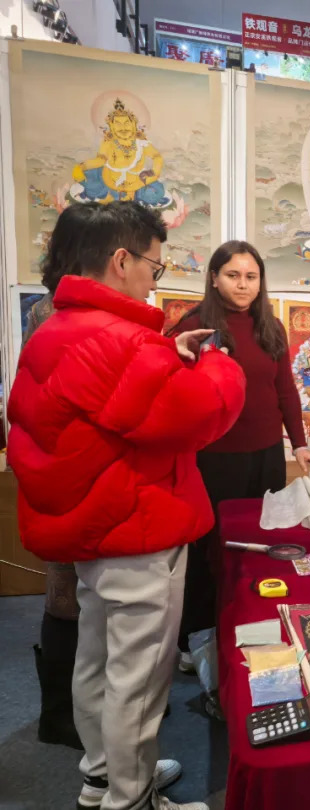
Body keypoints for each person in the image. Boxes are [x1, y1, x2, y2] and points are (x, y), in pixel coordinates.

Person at [7, 200, 246, 810]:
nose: (152, 280)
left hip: (95, 529)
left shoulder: (59, 327)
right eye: (153, 267)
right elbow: (203, 412)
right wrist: (218, 364)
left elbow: (117, 407)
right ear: (121, 260)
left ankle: (101, 779)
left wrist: (165, 354)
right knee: (138, 681)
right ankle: (131, 799)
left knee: (96, 660)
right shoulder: (116, 338)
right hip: (138, 529)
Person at [170, 241, 310, 671]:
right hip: (212, 459)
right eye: (233, 275)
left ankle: (250, 625)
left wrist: (300, 445)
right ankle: (196, 638)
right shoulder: (196, 326)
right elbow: (173, 388)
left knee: (259, 547)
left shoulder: (269, 327)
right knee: (208, 552)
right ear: (214, 278)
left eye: (251, 276)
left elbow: (285, 391)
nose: (243, 284)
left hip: (265, 457)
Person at [25, 203, 96, 751]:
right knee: (69, 594)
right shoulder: (57, 313)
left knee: (71, 592)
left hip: (64, 466)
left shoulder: (54, 308)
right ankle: (62, 714)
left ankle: (75, 709)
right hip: (72, 467)